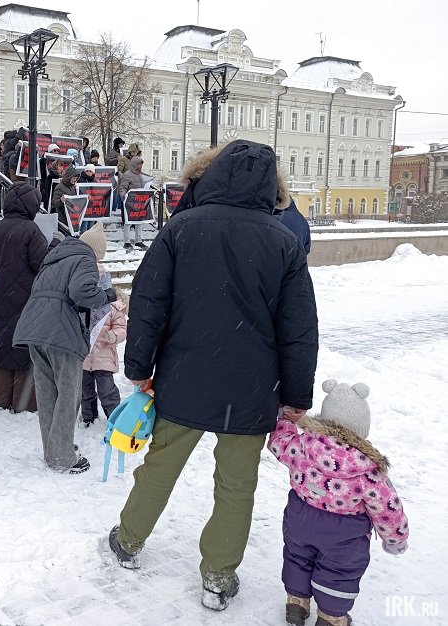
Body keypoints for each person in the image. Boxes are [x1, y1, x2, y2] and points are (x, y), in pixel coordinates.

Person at [108, 140, 319, 611]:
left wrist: (140, 368)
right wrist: (296, 394)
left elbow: (148, 302)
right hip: (252, 387)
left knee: (160, 467)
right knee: (236, 486)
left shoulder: (182, 228)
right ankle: (219, 577)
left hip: (184, 377)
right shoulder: (283, 241)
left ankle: (128, 539)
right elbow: (299, 328)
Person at [268, 380, 408, 626]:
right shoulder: (367, 469)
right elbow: (387, 507)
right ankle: (331, 617)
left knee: (297, 556)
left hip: (300, 517)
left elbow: (279, 443)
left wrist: (286, 420)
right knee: (338, 572)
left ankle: (296, 603)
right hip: (343, 533)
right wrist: (396, 539)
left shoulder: (303, 445)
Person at [13, 228, 113, 473]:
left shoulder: (55, 260)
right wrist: (107, 295)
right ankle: (62, 457)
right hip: (61, 333)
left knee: (47, 393)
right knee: (69, 394)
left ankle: (55, 449)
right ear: (96, 250)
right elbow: (82, 292)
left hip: (35, 329)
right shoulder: (85, 259)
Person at [0, 183, 49, 413]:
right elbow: (42, 265)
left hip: (0, 295)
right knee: (24, 347)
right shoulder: (31, 230)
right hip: (26, 299)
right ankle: (24, 402)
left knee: (3, 343)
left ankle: (3, 398)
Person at [78, 223, 127, 427]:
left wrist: (113, 336)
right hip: (84, 356)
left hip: (104, 355)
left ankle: (115, 419)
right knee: (85, 391)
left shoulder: (112, 307)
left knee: (108, 391)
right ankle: (88, 418)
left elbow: (121, 327)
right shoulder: (80, 304)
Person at [117, 156, 152, 251]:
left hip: (139, 202)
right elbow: (123, 187)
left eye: (141, 164)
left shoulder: (141, 175)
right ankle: (127, 242)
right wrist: (123, 195)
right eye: (139, 164)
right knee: (128, 222)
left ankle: (138, 240)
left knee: (139, 221)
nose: (141, 166)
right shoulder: (127, 175)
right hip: (130, 202)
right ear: (135, 164)